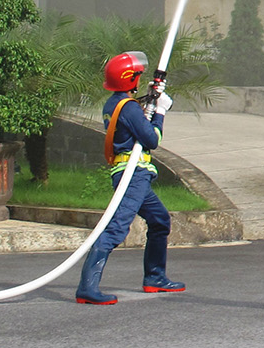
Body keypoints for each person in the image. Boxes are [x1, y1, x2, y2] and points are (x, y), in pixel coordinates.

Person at [75, 51, 184, 304]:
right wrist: (160, 111)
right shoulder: (129, 108)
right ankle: (87, 288)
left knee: (159, 220)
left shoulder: (115, 104)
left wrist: (150, 97)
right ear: (130, 79)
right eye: (137, 76)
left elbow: (134, 122)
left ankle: (155, 277)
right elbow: (152, 139)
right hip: (133, 176)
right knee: (116, 228)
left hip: (133, 175)